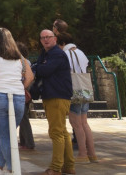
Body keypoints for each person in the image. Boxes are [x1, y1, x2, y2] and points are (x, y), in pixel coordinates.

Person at [0, 27, 34, 175]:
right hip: (18, 97)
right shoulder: (21, 58)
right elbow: (30, 77)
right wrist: (19, 88)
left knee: (4, 136)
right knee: (9, 135)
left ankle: (11, 169)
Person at [34, 29, 74, 175]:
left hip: (57, 96)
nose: (45, 40)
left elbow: (45, 71)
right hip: (53, 96)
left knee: (56, 132)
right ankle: (69, 166)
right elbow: (41, 67)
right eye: (43, 38)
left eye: (48, 37)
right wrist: (38, 67)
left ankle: (56, 167)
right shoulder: (46, 54)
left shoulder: (57, 54)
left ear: (55, 39)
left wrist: (35, 68)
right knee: (62, 132)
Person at [59, 33, 98, 163]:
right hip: (85, 90)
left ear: (62, 43)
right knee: (84, 122)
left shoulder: (66, 54)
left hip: (74, 90)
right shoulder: (80, 52)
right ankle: (92, 153)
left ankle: (82, 154)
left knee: (76, 123)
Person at [16, 41, 35, 151]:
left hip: (21, 90)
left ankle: (29, 142)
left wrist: (21, 88)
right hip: (25, 90)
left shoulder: (21, 61)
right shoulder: (26, 61)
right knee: (23, 117)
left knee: (23, 118)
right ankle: (24, 141)